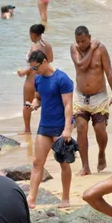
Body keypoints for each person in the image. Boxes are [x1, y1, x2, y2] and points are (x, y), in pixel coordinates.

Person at [27, 50, 74, 208]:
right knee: (37, 163)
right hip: (44, 127)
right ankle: (31, 199)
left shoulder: (62, 78)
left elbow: (68, 105)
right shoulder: (38, 79)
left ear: (45, 62)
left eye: (36, 67)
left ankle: (65, 198)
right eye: (32, 68)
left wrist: (67, 129)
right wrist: (34, 104)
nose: (35, 71)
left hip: (60, 127)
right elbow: (38, 97)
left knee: (64, 164)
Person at [70, 26, 112, 176]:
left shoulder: (101, 49)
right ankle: (85, 166)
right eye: (78, 41)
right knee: (81, 128)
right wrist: (91, 49)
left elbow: (109, 72)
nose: (81, 44)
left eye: (84, 41)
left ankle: (102, 152)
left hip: (99, 96)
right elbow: (81, 65)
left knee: (100, 130)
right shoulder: (74, 49)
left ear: (90, 37)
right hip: (80, 96)